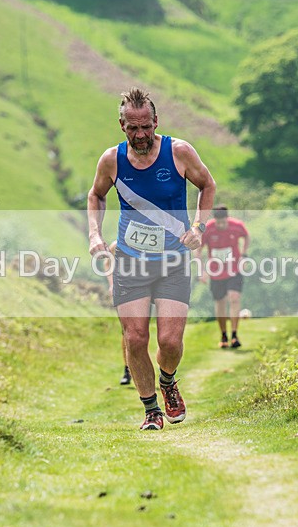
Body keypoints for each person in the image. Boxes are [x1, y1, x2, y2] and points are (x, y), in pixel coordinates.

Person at [88, 87, 216, 430]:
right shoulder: (111, 160)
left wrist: (199, 227)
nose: (141, 135)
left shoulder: (179, 152)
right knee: (135, 338)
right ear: (122, 126)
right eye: (133, 128)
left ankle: (168, 382)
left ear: (156, 121)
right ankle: (151, 411)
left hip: (173, 259)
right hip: (130, 260)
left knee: (170, 342)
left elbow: (208, 185)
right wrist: (94, 234)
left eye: (146, 126)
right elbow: (96, 195)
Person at [197, 205, 249, 349]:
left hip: (234, 269)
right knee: (220, 303)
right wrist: (202, 271)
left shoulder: (237, 226)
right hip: (216, 272)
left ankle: (234, 334)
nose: (220, 225)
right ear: (215, 219)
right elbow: (198, 251)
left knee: (234, 298)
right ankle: (224, 335)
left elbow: (246, 236)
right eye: (218, 222)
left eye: (223, 222)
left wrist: (244, 255)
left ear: (227, 218)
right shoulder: (208, 229)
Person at [104, 240, 131, 386]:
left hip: (144, 291)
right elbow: (107, 263)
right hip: (123, 290)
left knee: (142, 331)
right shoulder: (117, 245)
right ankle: (127, 369)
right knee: (126, 331)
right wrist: (111, 284)